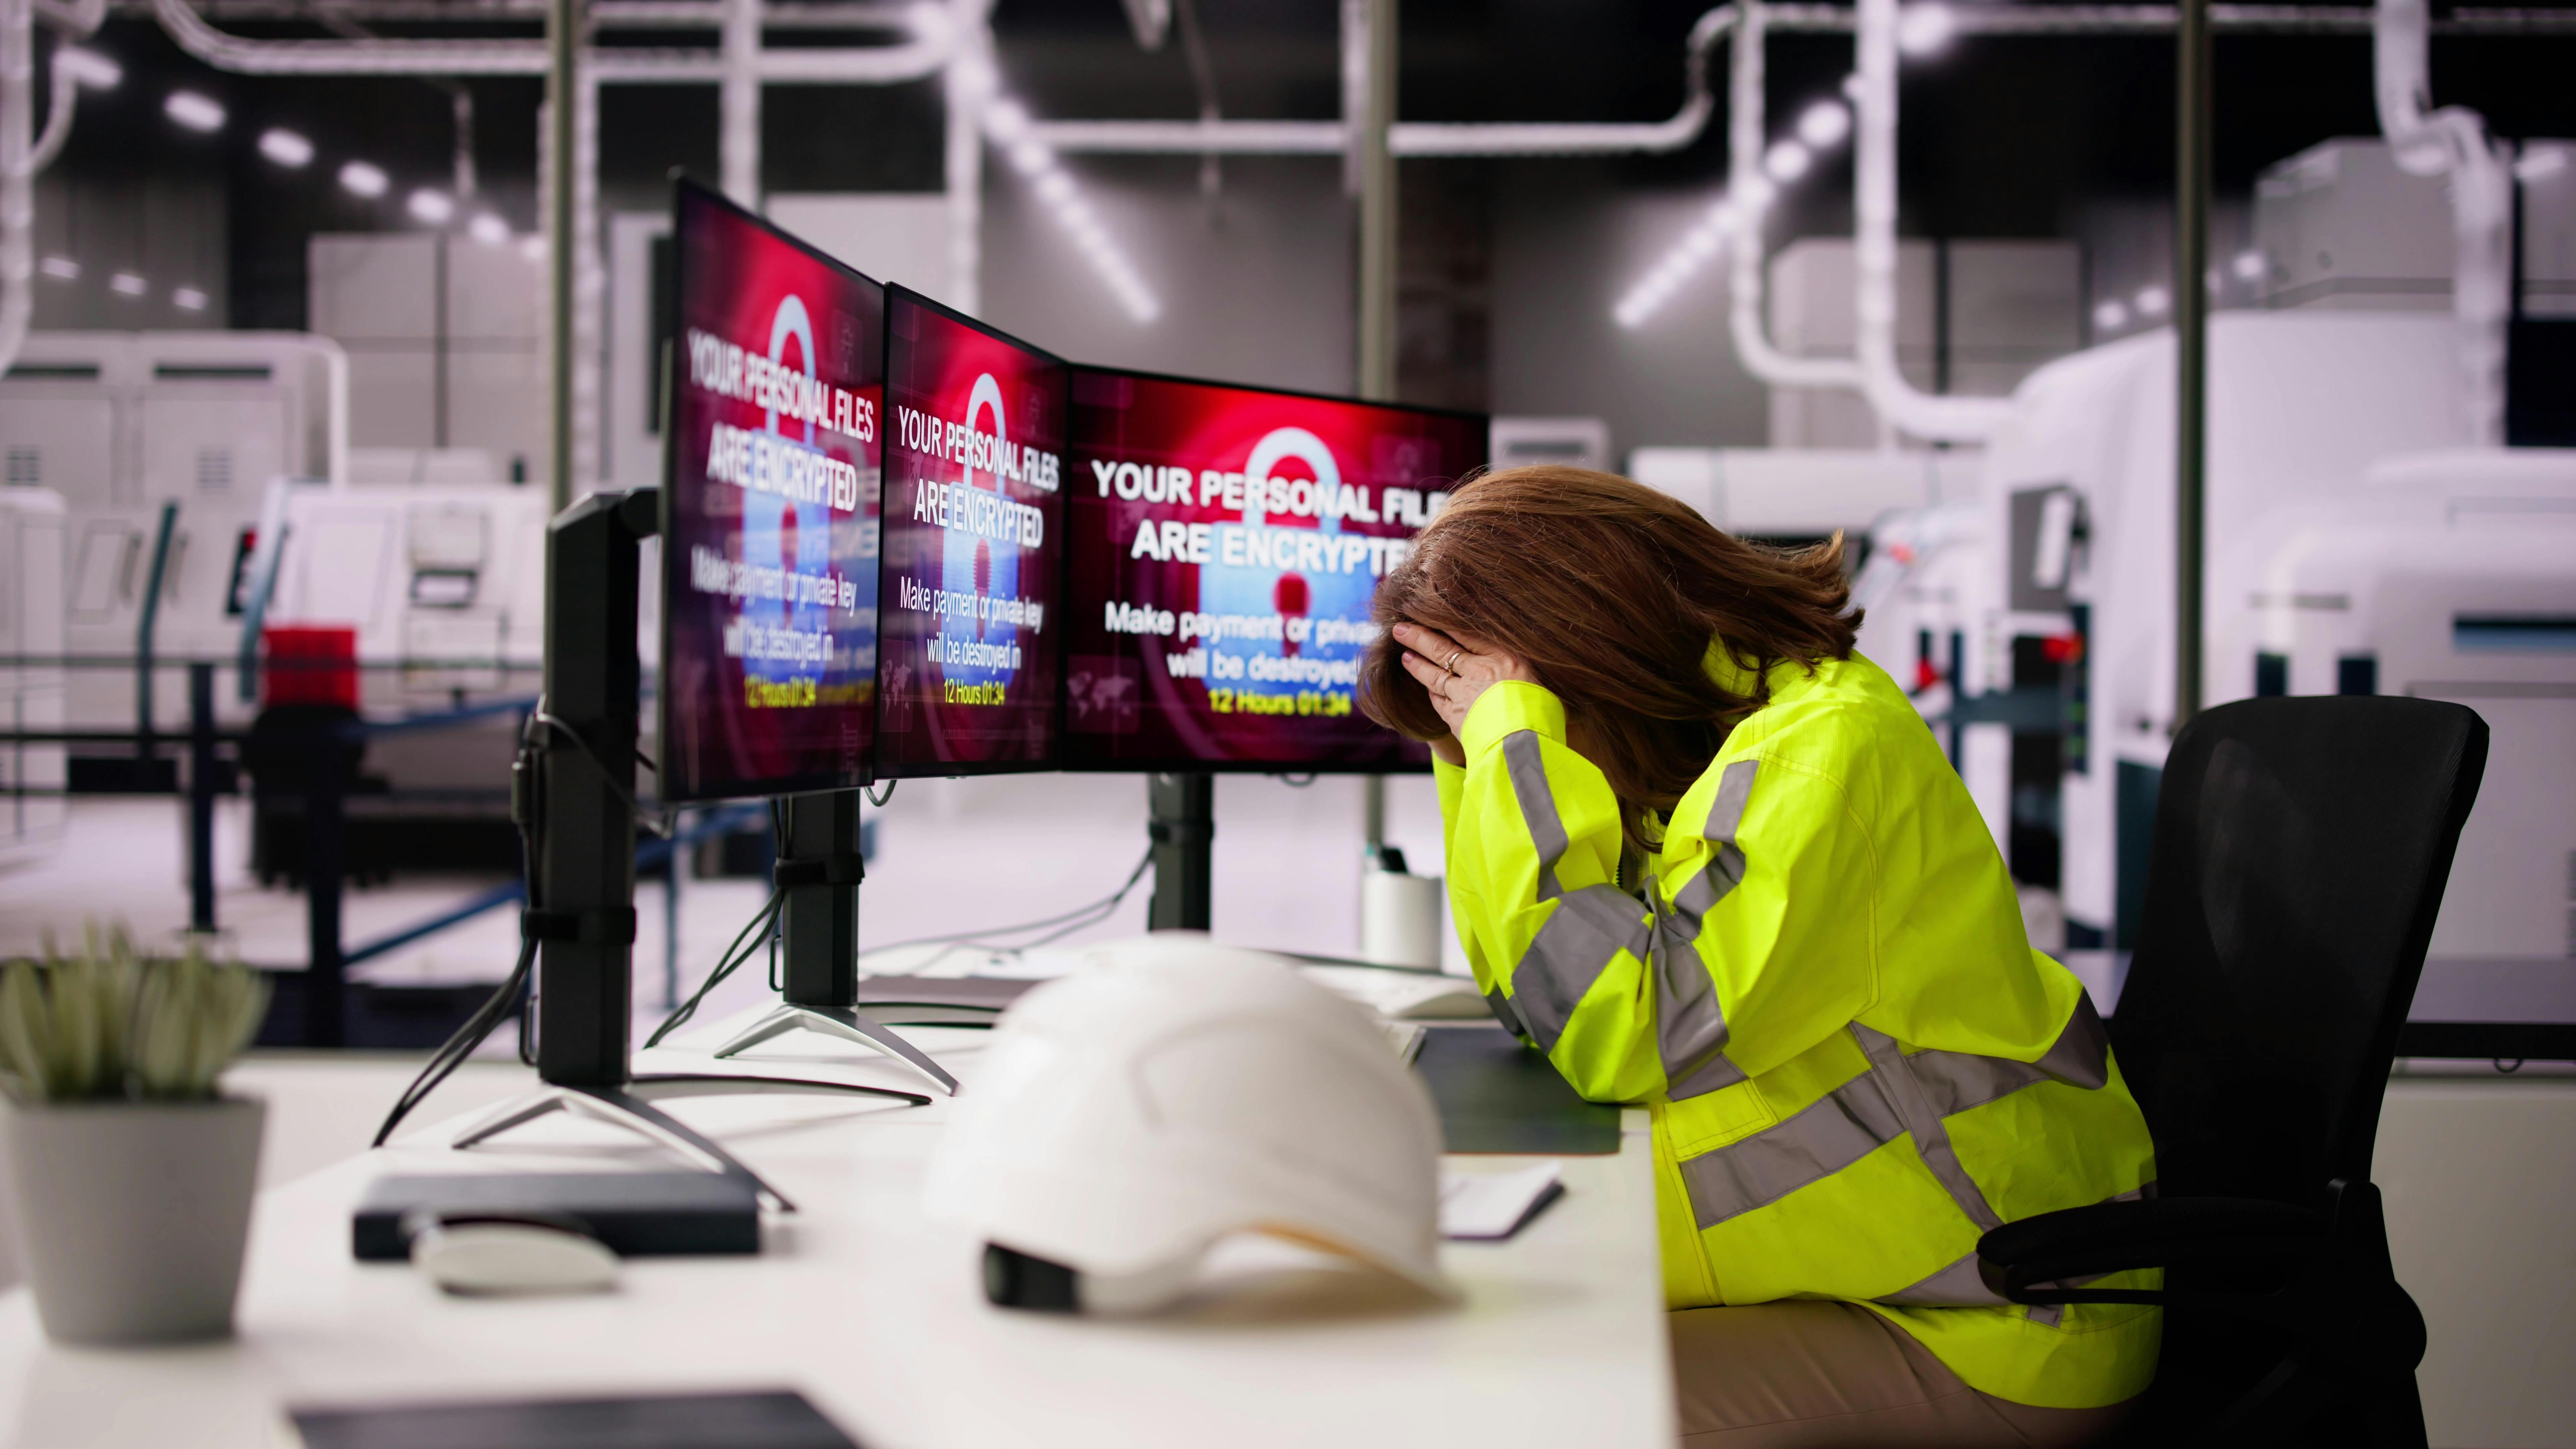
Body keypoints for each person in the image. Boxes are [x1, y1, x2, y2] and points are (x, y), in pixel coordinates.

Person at [1360, 466, 2158, 1448]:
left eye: (1533, 718)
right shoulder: (1705, 749)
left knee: (1530, 1414)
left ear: (1595, 659)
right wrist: (1479, 759)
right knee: (1470, 1351)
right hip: (1910, 1260)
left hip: (2004, 1318)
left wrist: (1516, 744)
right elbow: (1533, 999)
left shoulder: (1818, 755)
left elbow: (1622, 1027)